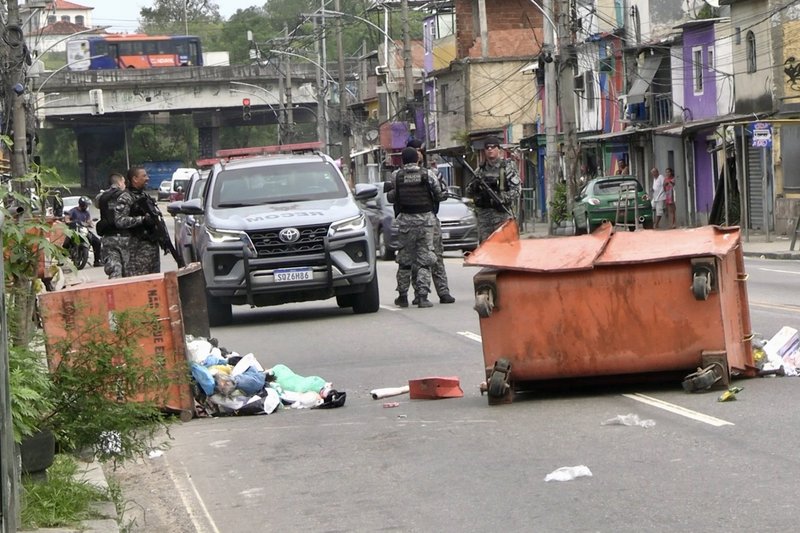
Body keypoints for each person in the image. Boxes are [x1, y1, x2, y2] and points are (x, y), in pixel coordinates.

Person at [389, 147, 445, 308]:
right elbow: (439, 194)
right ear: (417, 159)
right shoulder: (427, 174)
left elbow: (393, 196)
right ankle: (422, 296)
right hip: (426, 222)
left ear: (402, 160)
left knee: (405, 260)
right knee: (425, 260)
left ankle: (403, 296)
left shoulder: (396, 176)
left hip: (405, 222)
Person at [407, 140, 455, 305]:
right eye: (414, 150)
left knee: (437, 256)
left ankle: (443, 291)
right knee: (415, 258)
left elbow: (443, 193)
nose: (418, 153)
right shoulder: (403, 175)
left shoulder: (432, 173)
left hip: (430, 219)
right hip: (412, 220)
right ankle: (419, 292)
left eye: (420, 150)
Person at [466, 135, 521, 243]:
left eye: (492, 147)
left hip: (501, 215)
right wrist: (475, 186)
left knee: (504, 250)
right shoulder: (479, 171)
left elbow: (517, 190)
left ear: (498, 149)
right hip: (484, 218)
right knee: (485, 251)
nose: (490, 149)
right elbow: (468, 192)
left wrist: (501, 198)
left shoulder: (506, 167)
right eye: (487, 147)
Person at [112, 166, 160, 277]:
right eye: (144, 176)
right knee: (140, 283)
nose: (147, 178)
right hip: (137, 251)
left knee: (154, 284)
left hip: (152, 248)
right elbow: (119, 220)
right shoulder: (126, 197)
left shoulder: (145, 196)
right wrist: (142, 220)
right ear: (135, 179)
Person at [96, 173, 128, 278]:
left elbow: (97, 205)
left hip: (108, 238)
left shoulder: (101, 197)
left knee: (115, 271)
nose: (125, 185)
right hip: (126, 238)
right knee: (129, 273)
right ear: (119, 182)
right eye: (124, 182)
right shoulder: (127, 196)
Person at [63, 195, 103, 267]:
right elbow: (67, 217)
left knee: (97, 242)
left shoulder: (86, 213)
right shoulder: (73, 211)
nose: (87, 206)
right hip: (74, 231)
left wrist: (90, 223)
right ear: (82, 204)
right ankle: (61, 259)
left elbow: (88, 221)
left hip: (84, 230)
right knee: (66, 243)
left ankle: (97, 260)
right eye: (86, 205)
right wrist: (68, 221)